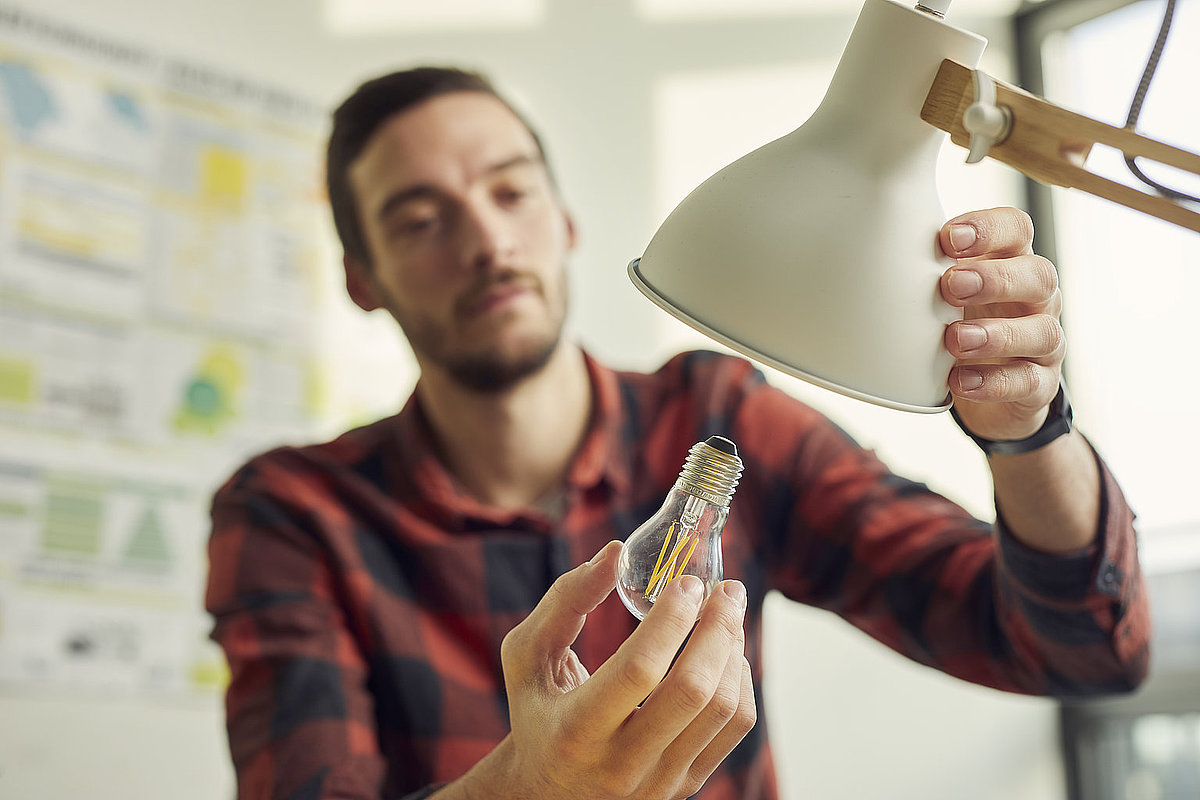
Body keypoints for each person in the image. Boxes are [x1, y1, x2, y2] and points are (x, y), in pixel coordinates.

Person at [204, 66, 1150, 800]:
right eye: (420, 220)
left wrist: (1030, 430)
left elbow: (1081, 649)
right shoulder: (294, 514)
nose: (488, 243)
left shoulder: (720, 423)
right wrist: (530, 788)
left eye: (510, 193)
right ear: (361, 280)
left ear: (564, 219)